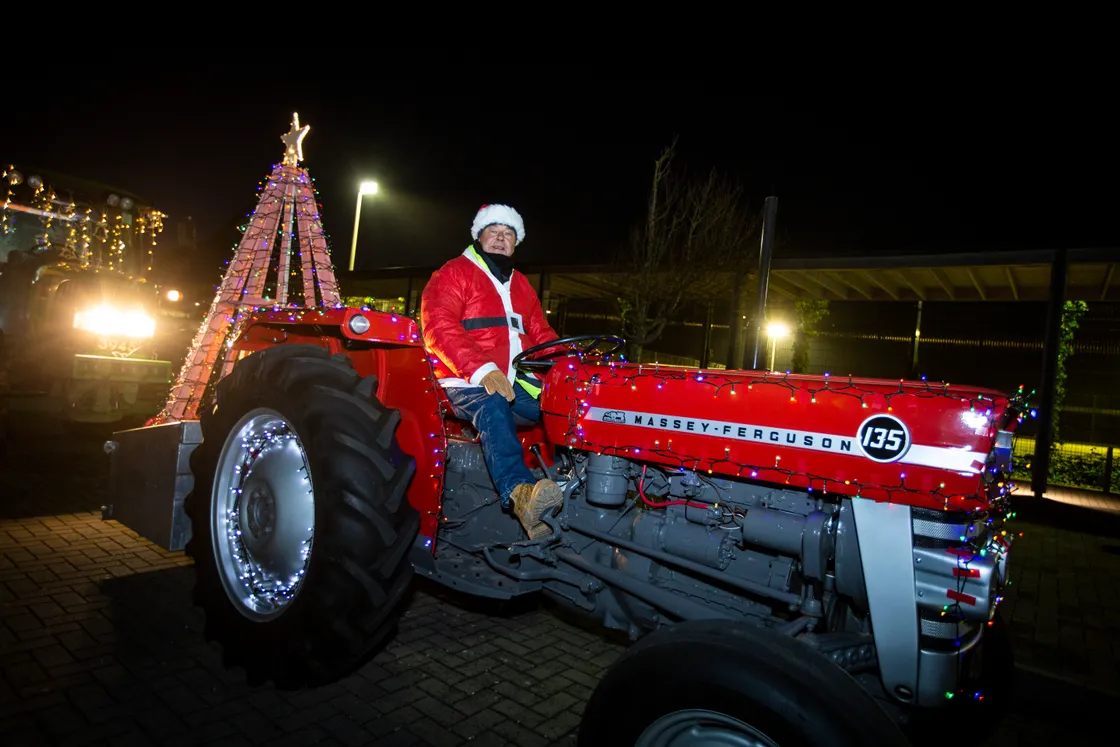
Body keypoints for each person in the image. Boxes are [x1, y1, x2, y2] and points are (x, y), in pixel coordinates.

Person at [420, 204, 564, 540]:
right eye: (494, 232)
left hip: (514, 379)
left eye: (508, 234)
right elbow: (438, 327)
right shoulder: (453, 273)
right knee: (493, 402)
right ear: (479, 236)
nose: (501, 239)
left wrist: (569, 368)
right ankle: (522, 495)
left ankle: (567, 481)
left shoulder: (521, 284)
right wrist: (482, 369)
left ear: (516, 243)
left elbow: (541, 334)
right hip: (462, 378)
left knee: (563, 409)